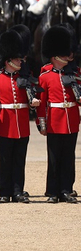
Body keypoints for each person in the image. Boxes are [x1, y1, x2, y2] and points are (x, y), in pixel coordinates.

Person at [0, 29, 39, 204]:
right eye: (17, 59)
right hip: (5, 124)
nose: (20, 61)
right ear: (8, 60)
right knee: (5, 160)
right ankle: (4, 191)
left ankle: (17, 191)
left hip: (22, 124)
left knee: (19, 160)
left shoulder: (25, 78)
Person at [37, 26, 80, 203]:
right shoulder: (45, 76)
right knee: (54, 157)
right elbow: (42, 103)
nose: (68, 57)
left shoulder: (75, 74)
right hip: (55, 120)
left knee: (68, 157)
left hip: (71, 120)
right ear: (55, 57)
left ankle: (66, 189)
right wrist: (42, 123)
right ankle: (52, 191)